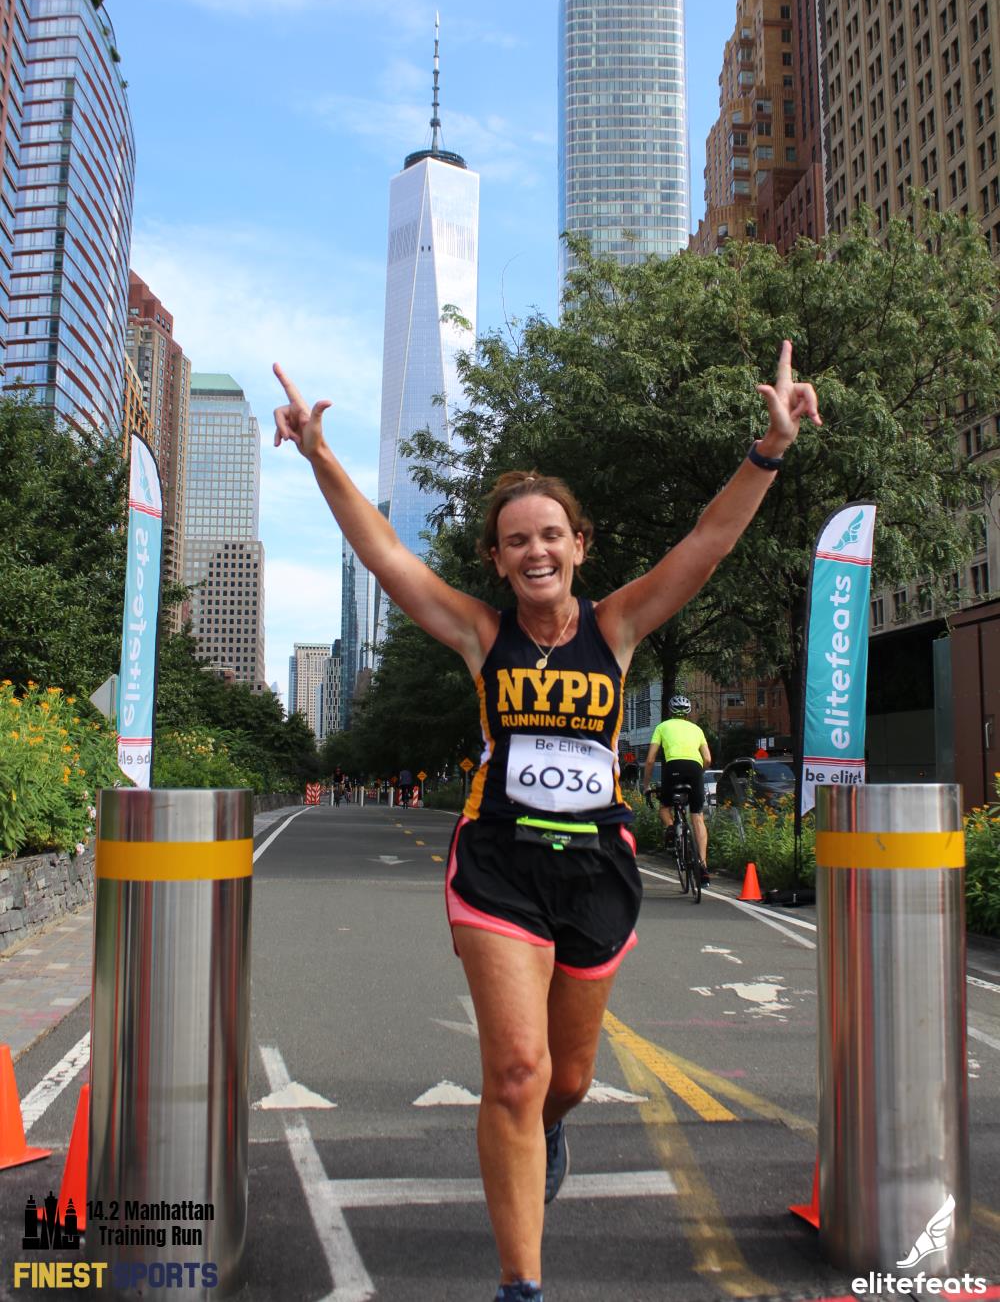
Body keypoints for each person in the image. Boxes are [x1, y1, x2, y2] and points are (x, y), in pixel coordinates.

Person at [272, 343, 820, 1302]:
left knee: (565, 1081)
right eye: (516, 540)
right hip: (498, 864)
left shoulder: (617, 627)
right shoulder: (481, 634)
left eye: (551, 536)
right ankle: (520, 1285)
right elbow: (386, 555)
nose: (535, 551)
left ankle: (552, 1127)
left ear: (579, 546)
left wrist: (768, 450)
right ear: (497, 558)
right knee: (518, 1072)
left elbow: (708, 541)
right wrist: (321, 456)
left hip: (596, 869)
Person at [642, 695, 713, 884]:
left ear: (670, 711)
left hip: (673, 768)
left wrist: (646, 785)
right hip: (695, 769)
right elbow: (707, 759)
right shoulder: (697, 729)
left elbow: (650, 760)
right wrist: (698, 773)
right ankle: (703, 866)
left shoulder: (662, 727)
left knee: (665, 807)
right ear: (687, 713)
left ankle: (671, 829)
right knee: (697, 816)